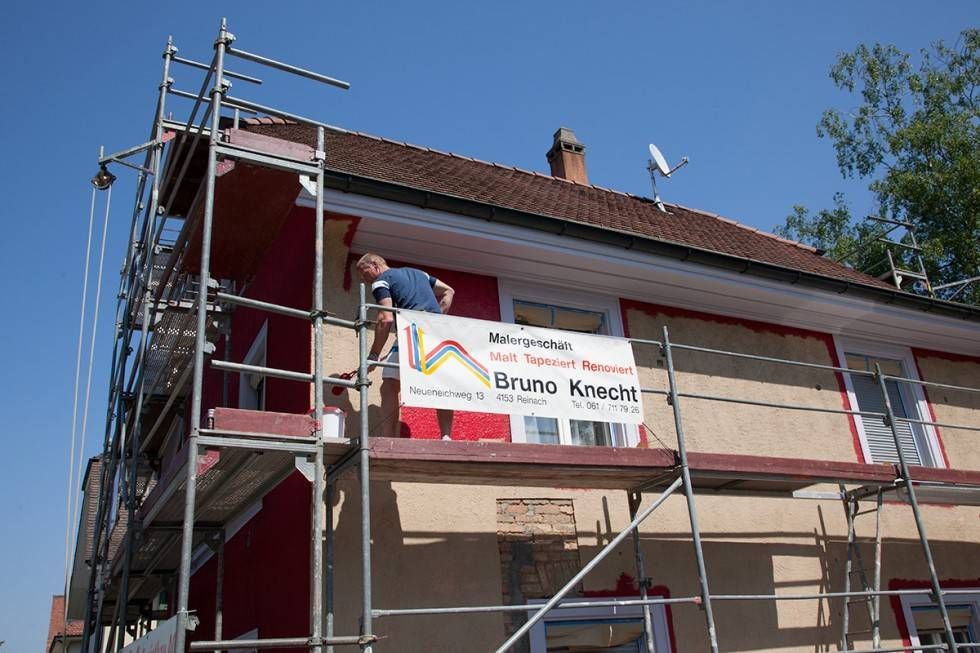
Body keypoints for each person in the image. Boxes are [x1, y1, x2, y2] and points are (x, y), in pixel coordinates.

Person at [355, 253, 456, 439]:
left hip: (413, 331)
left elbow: (385, 318)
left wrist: (373, 355)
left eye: (364, 272)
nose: (363, 278)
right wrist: (436, 318)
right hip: (437, 333)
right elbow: (449, 291)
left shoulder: (381, 282)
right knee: (441, 384)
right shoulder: (419, 274)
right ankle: (446, 436)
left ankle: (388, 437)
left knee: (389, 384)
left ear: (375, 265)